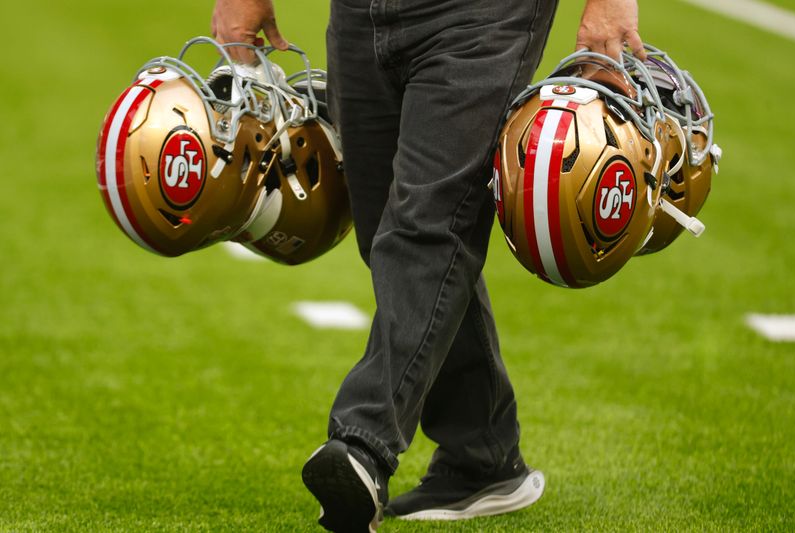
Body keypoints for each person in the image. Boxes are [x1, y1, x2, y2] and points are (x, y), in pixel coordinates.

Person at [211, 0, 645, 531]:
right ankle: (481, 454)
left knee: (426, 225)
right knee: (383, 234)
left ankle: (362, 444)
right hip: (359, 14)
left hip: (485, 16)